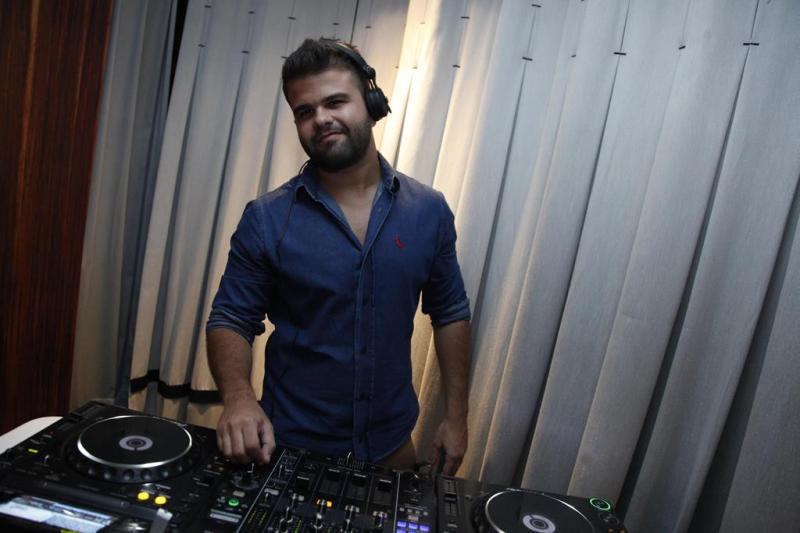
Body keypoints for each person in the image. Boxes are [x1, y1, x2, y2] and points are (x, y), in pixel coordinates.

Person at [206, 38, 471, 475]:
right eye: (304, 111)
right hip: (289, 449)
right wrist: (238, 400)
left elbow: (451, 313)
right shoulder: (266, 218)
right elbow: (230, 319)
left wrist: (456, 417)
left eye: (335, 102)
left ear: (370, 102)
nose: (321, 119)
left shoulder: (429, 210)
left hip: (392, 449)